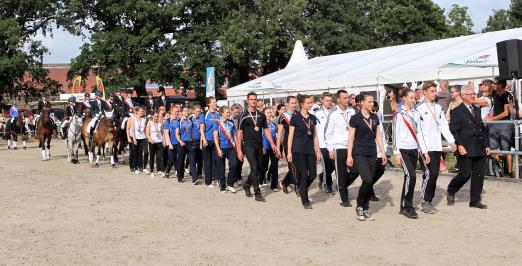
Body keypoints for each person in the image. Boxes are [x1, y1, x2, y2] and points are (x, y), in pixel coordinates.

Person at [416, 81, 457, 214]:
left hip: (436, 146)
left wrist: (451, 141)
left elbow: (443, 125)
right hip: (425, 148)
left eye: (435, 91)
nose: (435, 94)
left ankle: (429, 200)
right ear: (425, 93)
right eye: (432, 91)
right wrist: (423, 149)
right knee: (429, 174)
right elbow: (419, 131)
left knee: (434, 174)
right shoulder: (419, 109)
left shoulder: (438, 108)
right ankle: (424, 201)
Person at [447, 85, 490, 209]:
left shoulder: (477, 109)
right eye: (471, 94)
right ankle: (451, 189)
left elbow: (482, 128)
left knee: (479, 174)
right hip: (465, 147)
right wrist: (459, 145)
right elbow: (454, 130)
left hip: (479, 147)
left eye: (474, 93)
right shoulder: (456, 111)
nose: (474, 96)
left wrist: (486, 144)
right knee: (465, 174)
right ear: (464, 95)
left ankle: (475, 201)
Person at [347, 92, 387, 220]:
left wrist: (383, 152)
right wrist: (349, 156)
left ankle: (366, 207)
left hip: (372, 153)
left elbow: (378, 136)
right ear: (362, 103)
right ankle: (359, 205)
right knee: (367, 179)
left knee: (369, 181)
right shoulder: (355, 118)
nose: (372, 104)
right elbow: (351, 138)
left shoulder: (375, 118)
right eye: (369, 101)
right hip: (359, 152)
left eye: (373, 101)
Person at [392, 88, 430, 219]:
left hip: (414, 149)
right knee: (411, 176)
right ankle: (407, 206)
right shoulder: (399, 114)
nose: (413, 100)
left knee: (408, 177)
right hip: (402, 150)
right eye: (411, 98)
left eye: (414, 98)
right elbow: (395, 135)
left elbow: (419, 134)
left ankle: (404, 205)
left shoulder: (416, 113)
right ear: (404, 98)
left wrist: (425, 152)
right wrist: (396, 152)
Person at [237, 92, 278, 202]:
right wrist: (239, 150)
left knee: (260, 169)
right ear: (247, 101)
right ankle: (257, 193)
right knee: (254, 168)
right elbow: (239, 134)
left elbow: (266, 130)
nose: (253, 101)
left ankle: (246, 184)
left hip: (259, 146)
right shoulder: (243, 116)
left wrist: (273, 143)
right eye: (251, 99)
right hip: (248, 146)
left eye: (255, 99)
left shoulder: (261, 115)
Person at [287, 94, 320, 209]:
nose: (311, 105)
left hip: (310, 149)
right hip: (298, 150)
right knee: (304, 175)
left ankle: (302, 189)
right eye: (308, 103)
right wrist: (289, 152)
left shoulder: (312, 117)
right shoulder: (295, 118)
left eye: (311, 103)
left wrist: (318, 149)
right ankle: (305, 200)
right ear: (302, 104)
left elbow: (315, 135)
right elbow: (290, 136)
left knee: (313, 174)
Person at [325, 90, 357, 207]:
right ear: (338, 99)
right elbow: (328, 133)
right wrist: (330, 149)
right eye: (344, 98)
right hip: (339, 147)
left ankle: (341, 185)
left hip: (352, 146)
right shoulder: (333, 114)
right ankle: (344, 199)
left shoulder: (352, 111)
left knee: (356, 170)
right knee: (341, 173)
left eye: (348, 97)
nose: (347, 100)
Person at [486, 77, 513, 177]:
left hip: (505, 124)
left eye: (495, 83)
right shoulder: (494, 95)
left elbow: (506, 113)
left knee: (506, 149)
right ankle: (498, 171)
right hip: (494, 125)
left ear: (501, 85)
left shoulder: (508, 95)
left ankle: (509, 173)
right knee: (493, 149)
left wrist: (492, 119)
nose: (493, 85)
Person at [312, 92, 335, 193]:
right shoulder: (316, 113)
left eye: (330, 100)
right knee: (326, 165)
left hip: (333, 144)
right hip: (321, 144)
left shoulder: (335, 112)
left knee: (333, 165)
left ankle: (322, 176)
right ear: (322, 100)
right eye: (327, 100)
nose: (329, 102)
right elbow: (314, 131)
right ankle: (327, 185)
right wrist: (316, 146)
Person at [213, 106, 240, 193]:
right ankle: (223, 186)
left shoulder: (231, 123)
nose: (229, 114)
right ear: (222, 113)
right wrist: (218, 149)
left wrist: (237, 147)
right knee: (221, 168)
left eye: (229, 112)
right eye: (227, 112)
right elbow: (215, 137)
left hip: (230, 148)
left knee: (234, 165)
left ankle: (230, 184)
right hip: (221, 148)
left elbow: (235, 135)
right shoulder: (217, 123)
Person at [277, 96, 297, 193]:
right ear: (287, 104)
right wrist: (278, 149)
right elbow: (279, 133)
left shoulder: (298, 114)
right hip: (287, 143)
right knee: (292, 166)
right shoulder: (283, 116)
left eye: (295, 103)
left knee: (299, 165)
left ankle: (284, 182)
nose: (294, 105)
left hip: (298, 143)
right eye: (292, 103)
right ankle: (298, 187)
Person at [200, 97, 220, 187]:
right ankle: (207, 182)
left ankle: (215, 178)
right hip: (207, 140)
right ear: (209, 104)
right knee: (207, 161)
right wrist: (204, 140)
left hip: (216, 140)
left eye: (215, 102)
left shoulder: (218, 114)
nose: (215, 103)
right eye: (213, 102)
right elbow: (201, 129)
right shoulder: (204, 114)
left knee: (216, 160)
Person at [176, 106, 199, 184]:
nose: (186, 112)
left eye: (187, 111)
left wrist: (194, 142)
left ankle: (195, 179)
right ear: (182, 112)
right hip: (182, 143)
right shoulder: (179, 121)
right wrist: (180, 141)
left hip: (190, 143)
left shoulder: (190, 121)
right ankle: (180, 176)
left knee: (192, 161)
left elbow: (192, 132)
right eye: (185, 111)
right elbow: (177, 134)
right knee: (181, 160)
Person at [260, 106, 279, 191]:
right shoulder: (261, 125)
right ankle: (260, 180)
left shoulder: (273, 124)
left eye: (270, 112)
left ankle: (274, 185)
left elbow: (276, 137)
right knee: (264, 167)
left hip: (273, 148)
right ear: (264, 114)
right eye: (267, 112)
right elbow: (259, 137)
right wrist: (262, 147)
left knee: (275, 166)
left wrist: (278, 148)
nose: (269, 114)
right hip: (264, 148)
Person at [128, 106, 148, 174]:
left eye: (143, 111)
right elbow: (129, 129)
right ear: (137, 112)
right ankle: (132, 166)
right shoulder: (132, 119)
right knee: (133, 153)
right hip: (134, 137)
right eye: (141, 111)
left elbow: (145, 129)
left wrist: (146, 137)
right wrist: (129, 137)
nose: (142, 112)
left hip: (142, 137)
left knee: (142, 152)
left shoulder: (144, 119)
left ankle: (141, 166)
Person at [145, 111, 165, 178]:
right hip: (152, 142)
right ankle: (152, 171)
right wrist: (150, 139)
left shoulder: (160, 123)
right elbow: (147, 134)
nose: (156, 117)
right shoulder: (149, 123)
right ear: (152, 116)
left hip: (159, 142)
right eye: (155, 116)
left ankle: (162, 171)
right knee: (152, 157)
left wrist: (163, 141)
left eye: (157, 116)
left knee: (161, 157)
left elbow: (162, 133)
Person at [164, 105, 180, 179]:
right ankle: (167, 171)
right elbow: (166, 133)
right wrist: (169, 143)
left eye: (178, 111)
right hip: (172, 143)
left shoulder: (179, 120)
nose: (177, 113)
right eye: (175, 111)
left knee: (178, 158)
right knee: (172, 158)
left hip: (179, 142)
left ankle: (178, 171)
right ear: (171, 111)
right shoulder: (167, 120)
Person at [231, 104, 244, 184]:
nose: (236, 113)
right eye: (235, 112)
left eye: (237, 112)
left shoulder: (240, 119)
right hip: (232, 142)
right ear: (231, 111)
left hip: (241, 142)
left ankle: (239, 176)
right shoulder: (229, 120)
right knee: (234, 161)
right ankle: (235, 177)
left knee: (241, 160)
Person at [190, 105, 203, 180]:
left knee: (200, 158)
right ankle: (193, 172)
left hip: (201, 140)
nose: (198, 113)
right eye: (197, 111)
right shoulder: (191, 119)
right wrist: (192, 138)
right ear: (193, 111)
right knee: (194, 158)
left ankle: (199, 173)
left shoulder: (202, 118)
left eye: (199, 111)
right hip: (194, 141)